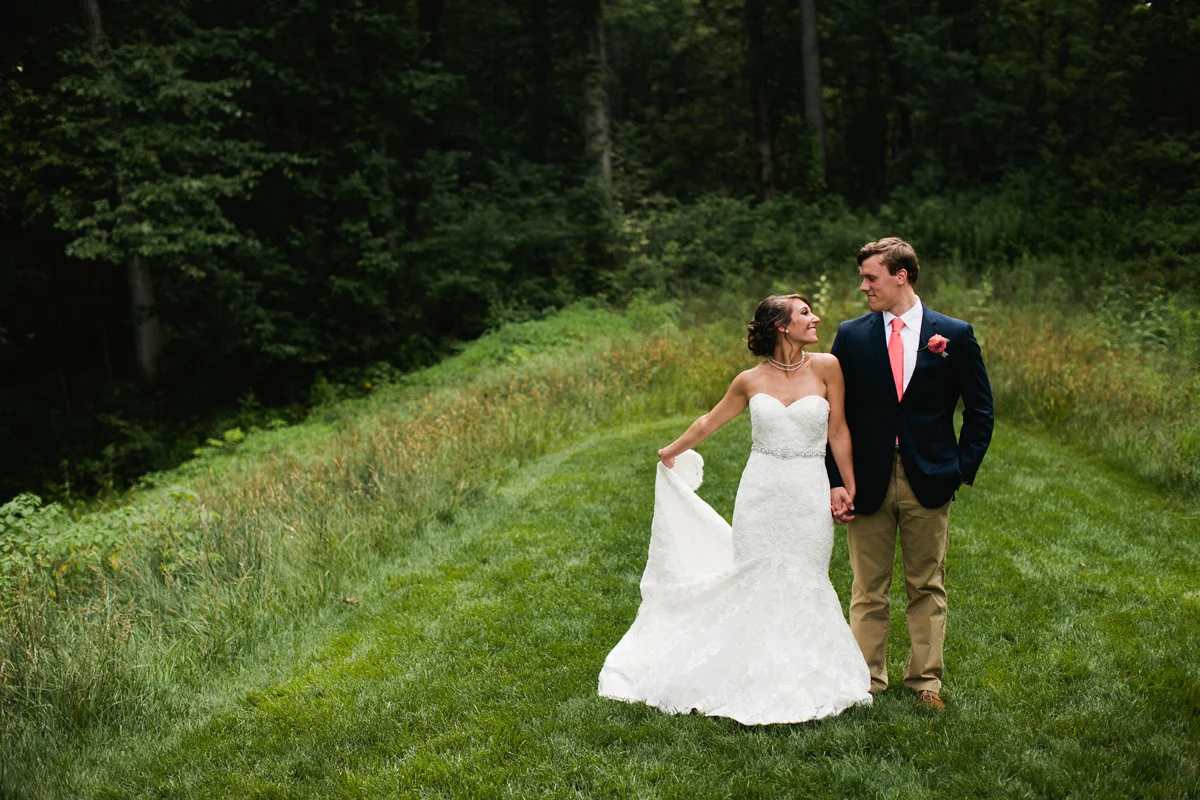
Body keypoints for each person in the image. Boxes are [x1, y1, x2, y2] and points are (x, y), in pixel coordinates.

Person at [598, 294, 871, 725]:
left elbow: (837, 428)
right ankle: (748, 673)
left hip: (806, 489)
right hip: (761, 493)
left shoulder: (827, 368)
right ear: (782, 325)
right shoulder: (749, 380)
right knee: (757, 577)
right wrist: (671, 450)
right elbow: (709, 421)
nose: (815, 318)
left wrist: (846, 483)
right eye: (804, 313)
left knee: (806, 574)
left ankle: (804, 672)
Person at [826, 237, 994, 711]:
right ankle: (866, 682)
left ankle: (925, 683)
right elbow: (832, 414)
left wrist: (960, 468)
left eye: (871, 277)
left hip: (931, 476)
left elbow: (980, 411)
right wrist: (837, 478)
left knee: (926, 584)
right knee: (867, 587)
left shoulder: (953, 335)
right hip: (867, 478)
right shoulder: (852, 335)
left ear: (901, 276)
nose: (863, 287)